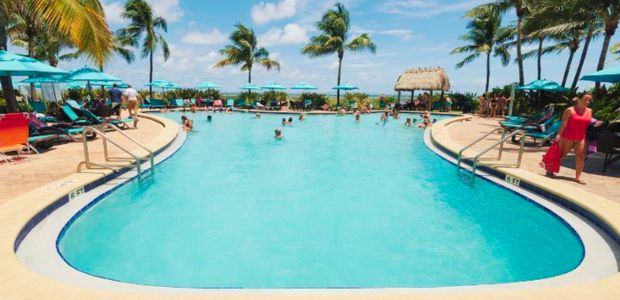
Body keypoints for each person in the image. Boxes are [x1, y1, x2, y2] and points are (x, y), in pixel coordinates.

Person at [555, 94, 603, 184]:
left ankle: (578, 177)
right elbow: (564, 123)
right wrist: (559, 134)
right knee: (561, 154)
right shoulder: (569, 110)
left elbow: (588, 122)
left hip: (581, 137)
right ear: (578, 99)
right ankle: (550, 169)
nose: (587, 102)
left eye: (589, 100)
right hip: (567, 136)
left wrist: (596, 124)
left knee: (581, 156)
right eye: (585, 100)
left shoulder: (589, 111)